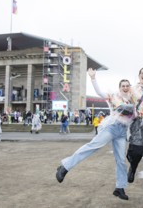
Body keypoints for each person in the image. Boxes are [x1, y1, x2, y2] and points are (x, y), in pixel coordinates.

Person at [56, 68, 134, 200]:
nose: (125, 88)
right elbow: (100, 92)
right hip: (111, 127)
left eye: (127, 86)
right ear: (119, 88)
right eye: (123, 86)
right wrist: (93, 78)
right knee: (92, 147)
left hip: (122, 132)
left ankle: (120, 188)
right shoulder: (114, 96)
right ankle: (65, 167)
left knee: (121, 160)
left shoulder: (133, 99)